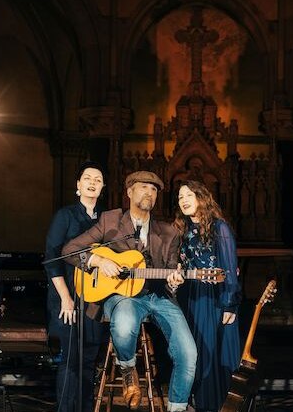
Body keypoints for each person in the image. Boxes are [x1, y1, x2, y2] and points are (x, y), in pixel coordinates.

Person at [62, 171, 196, 412]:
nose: (150, 193)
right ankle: (127, 369)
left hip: (158, 296)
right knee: (123, 324)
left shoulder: (169, 232)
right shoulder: (110, 221)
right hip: (122, 296)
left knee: (188, 354)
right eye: (144, 187)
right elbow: (70, 250)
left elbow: (169, 275)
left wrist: (174, 282)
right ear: (129, 192)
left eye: (154, 190)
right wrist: (98, 261)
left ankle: (177, 408)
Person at [44, 161, 107, 412]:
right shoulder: (65, 215)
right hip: (67, 295)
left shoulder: (105, 219)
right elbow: (51, 258)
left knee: (89, 359)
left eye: (98, 179)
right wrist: (65, 299)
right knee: (71, 359)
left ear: (102, 187)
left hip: (94, 298)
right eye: (88, 178)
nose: (93, 182)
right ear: (78, 185)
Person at [173, 180, 241, 412]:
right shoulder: (181, 230)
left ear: (202, 197)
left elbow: (229, 268)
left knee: (209, 352)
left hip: (211, 298)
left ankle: (210, 406)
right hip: (186, 298)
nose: (183, 200)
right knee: (190, 353)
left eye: (188, 195)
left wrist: (230, 304)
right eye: (180, 197)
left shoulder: (219, 227)